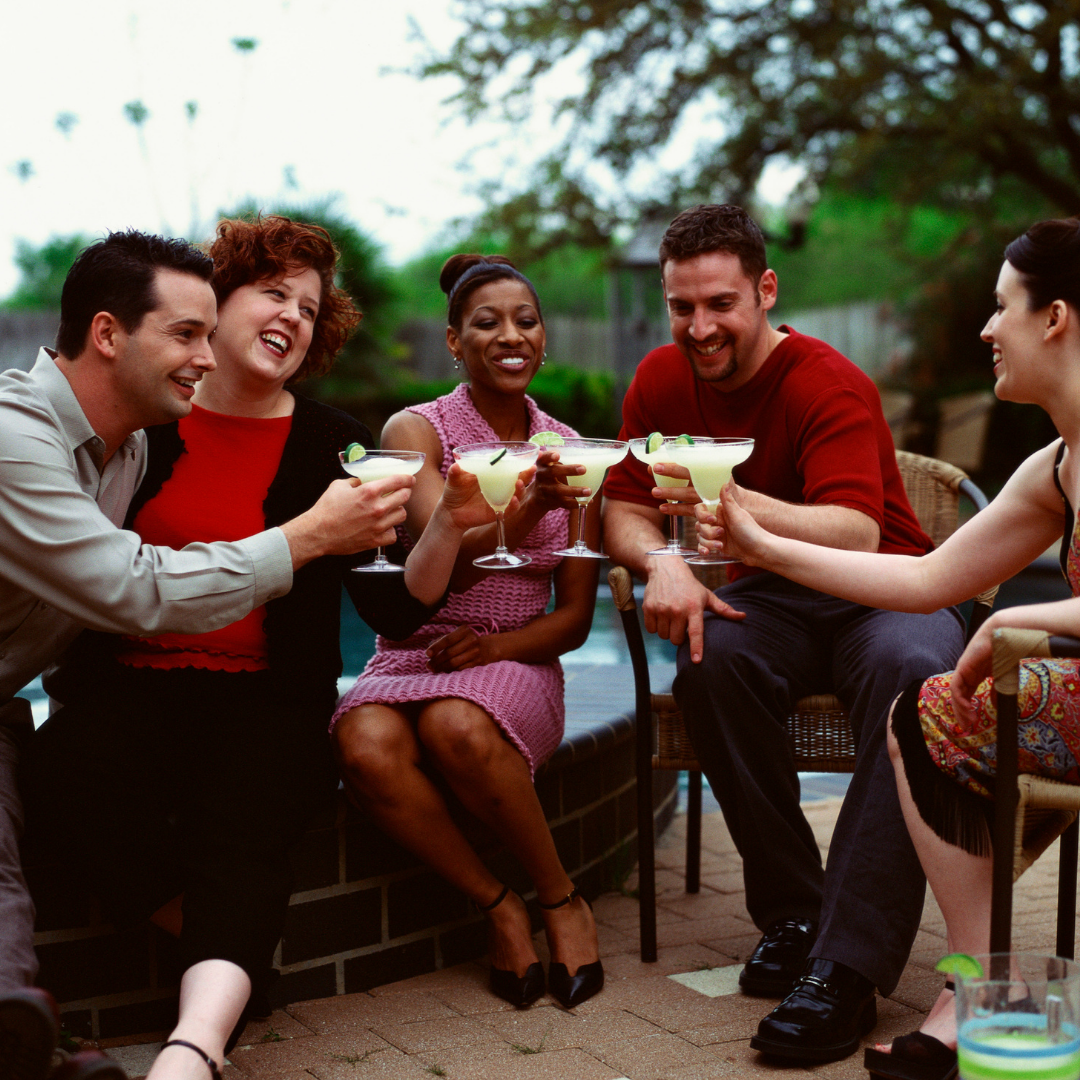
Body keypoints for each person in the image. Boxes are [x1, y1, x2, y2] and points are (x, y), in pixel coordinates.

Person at [3, 226, 497, 1080]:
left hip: (266, 697)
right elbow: (124, 583)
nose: (291, 318)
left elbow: (389, 602)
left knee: (250, 816)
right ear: (214, 304)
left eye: (308, 308)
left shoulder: (324, 439)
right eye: (272, 294)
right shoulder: (141, 432)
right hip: (126, 687)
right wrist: (303, 537)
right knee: (64, 778)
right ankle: (229, 959)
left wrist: (449, 524)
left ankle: (192, 1051)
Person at [708, 216, 1080, 1079]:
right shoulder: (1056, 467)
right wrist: (763, 549)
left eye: (1001, 308)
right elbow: (925, 580)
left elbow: (970, 611)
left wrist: (1018, 625)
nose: (987, 330)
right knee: (931, 712)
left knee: (947, 698)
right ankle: (987, 988)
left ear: (1054, 317)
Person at [601, 204, 967, 1063]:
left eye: (721, 304)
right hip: (774, 602)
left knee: (914, 674)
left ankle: (847, 966)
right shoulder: (658, 380)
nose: (700, 327)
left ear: (765, 290)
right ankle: (797, 912)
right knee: (710, 656)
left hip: (887, 593)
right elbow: (621, 505)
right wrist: (663, 560)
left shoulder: (825, 381)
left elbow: (856, 532)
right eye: (682, 306)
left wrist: (730, 507)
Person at [332, 254, 606, 1010]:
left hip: (512, 660)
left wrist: (494, 649)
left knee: (456, 722)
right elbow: (437, 563)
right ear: (455, 341)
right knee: (362, 745)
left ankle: (559, 899)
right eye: (486, 323)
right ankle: (499, 905)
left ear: (544, 338)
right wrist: (520, 512)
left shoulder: (575, 452)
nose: (509, 335)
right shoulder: (416, 433)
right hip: (413, 650)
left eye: (525, 321)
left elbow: (575, 621)